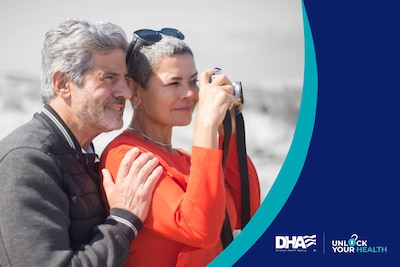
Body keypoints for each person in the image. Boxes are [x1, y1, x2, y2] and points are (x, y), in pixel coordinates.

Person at [0, 18, 163, 267]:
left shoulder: (79, 152)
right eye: (109, 78)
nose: (126, 93)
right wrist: (124, 220)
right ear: (63, 84)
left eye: (126, 79)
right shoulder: (27, 159)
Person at [100, 28, 261, 267]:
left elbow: (247, 212)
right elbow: (200, 229)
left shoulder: (188, 159)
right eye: (174, 83)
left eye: (193, 81)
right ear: (134, 90)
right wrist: (205, 123)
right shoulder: (125, 156)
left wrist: (229, 132)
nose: (190, 94)